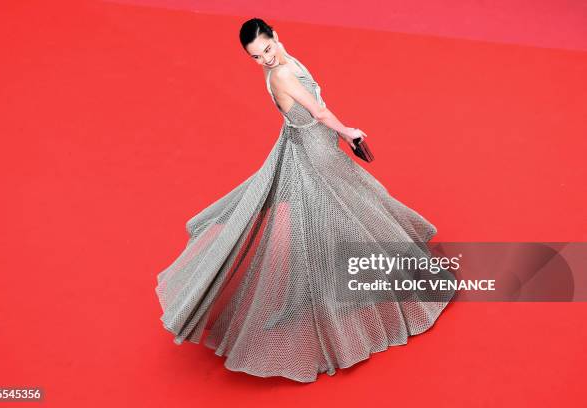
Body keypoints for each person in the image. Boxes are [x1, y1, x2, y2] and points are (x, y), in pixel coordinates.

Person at [155, 18, 456, 383]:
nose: (264, 58)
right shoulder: (280, 74)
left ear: (275, 38)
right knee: (355, 210)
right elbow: (319, 112)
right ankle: (384, 285)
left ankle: (360, 279)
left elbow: (309, 105)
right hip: (317, 154)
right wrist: (349, 133)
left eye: (266, 48)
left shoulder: (287, 61)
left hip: (311, 146)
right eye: (255, 56)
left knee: (352, 210)